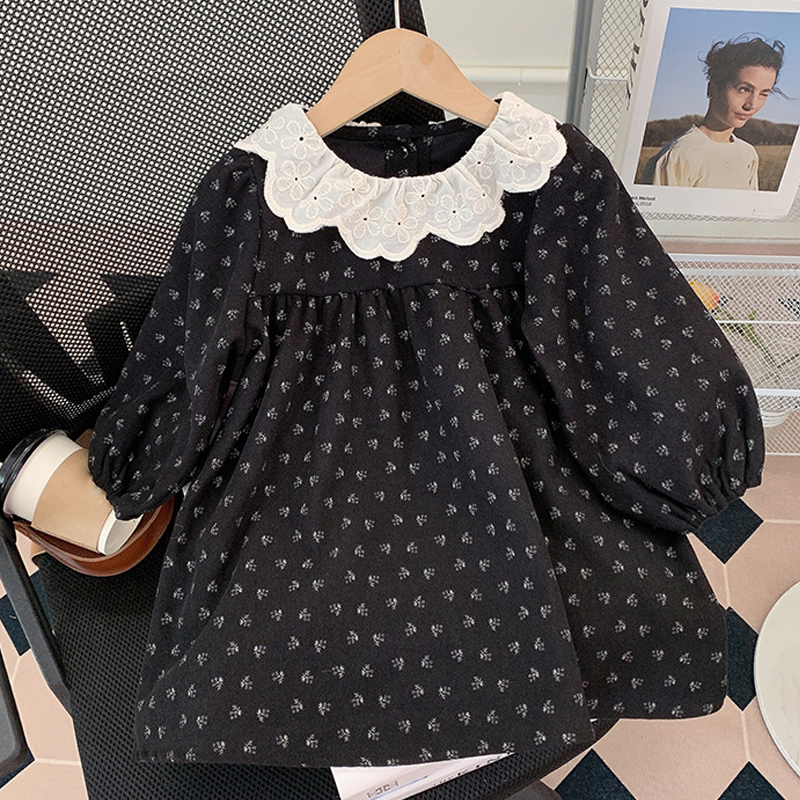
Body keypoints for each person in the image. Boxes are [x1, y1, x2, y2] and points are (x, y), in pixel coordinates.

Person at [640, 35, 785, 189]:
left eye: (763, 94)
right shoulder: (678, 156)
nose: (752, 105)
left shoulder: (748, 155)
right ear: (712, 89)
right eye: (743, 89)